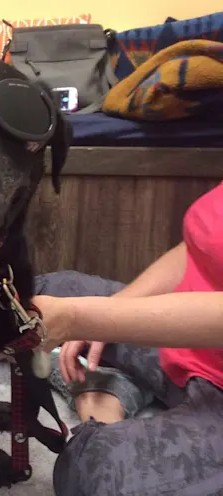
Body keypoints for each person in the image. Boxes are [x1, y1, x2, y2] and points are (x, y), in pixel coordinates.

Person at [32, 180, 223, 495]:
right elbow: (197, 246)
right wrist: (114, 310)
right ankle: (118, 383)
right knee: (42, 290)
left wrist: (83, 319)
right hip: (187, 346)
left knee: (95, 469)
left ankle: (102, 399)